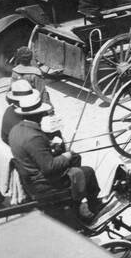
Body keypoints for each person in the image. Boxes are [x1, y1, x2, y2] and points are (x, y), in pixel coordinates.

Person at [7, 87, 107, 224]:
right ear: (38, 114)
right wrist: (66, 156)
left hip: (30, 177)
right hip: (44, 184)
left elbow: (34, 153)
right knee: (88, 172)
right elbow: (49, 167)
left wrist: (50, 147)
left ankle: (76, 201)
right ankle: (91, 205)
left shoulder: (16, 129)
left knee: (76, 158)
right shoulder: (34, 136)